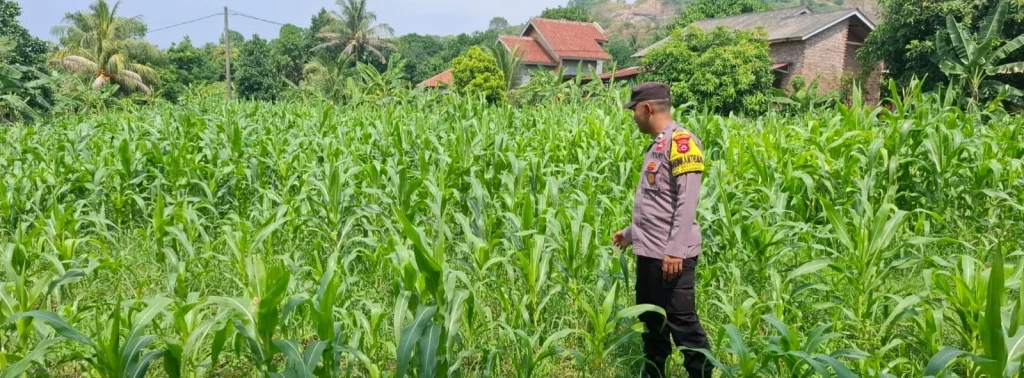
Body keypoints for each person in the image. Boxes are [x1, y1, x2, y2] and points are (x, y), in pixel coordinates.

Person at [612, 82, 712, 378]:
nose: (633, 118)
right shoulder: (657, 145)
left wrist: (674, 251)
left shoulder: (682, 143)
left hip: (671, 258)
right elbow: (657, 203)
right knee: (652, 322)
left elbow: (686, 202)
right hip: (650, 254)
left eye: (634, 112)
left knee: (683, 325)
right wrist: (630, 233)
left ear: (647, 109)